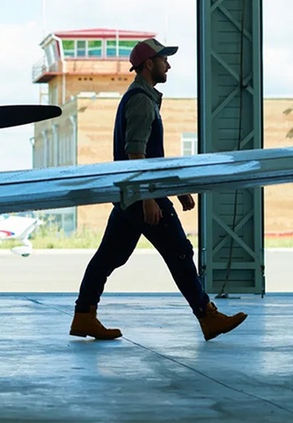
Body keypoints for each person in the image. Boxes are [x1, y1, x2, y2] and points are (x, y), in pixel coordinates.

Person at [69, 38, 248, 341]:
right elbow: (135, 154)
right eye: (164, 59)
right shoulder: (140, 99)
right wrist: (150, 198)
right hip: (142, 195)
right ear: (149, 64)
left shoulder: (144, 98)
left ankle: (84, 315)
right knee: (179, 251)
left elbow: (153, 156)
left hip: (132, 195)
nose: (169, 65)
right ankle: (207, 316)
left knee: (109, 257)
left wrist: (176, 189)